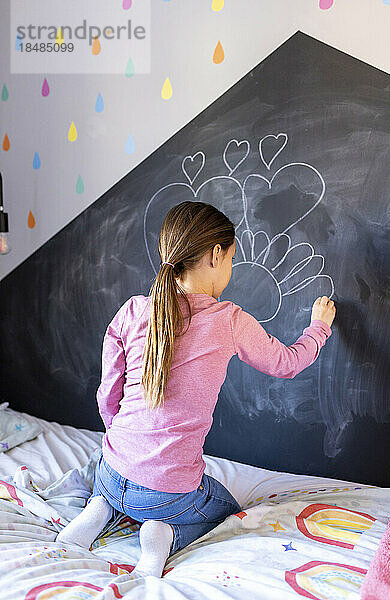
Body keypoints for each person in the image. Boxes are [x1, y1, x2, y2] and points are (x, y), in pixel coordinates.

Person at [55, 201, 335, 577]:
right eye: (232, 258)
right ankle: (163, 536)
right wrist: (318, 327)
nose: (231, 270)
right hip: (166, 496)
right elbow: (285, 363)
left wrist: (127, 443)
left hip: (110, 471)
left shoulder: (134, 310)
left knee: (119, 482)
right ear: (215, 255)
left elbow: (108, 395)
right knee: (225, 508)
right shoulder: (228, 320)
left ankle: (100, 508)